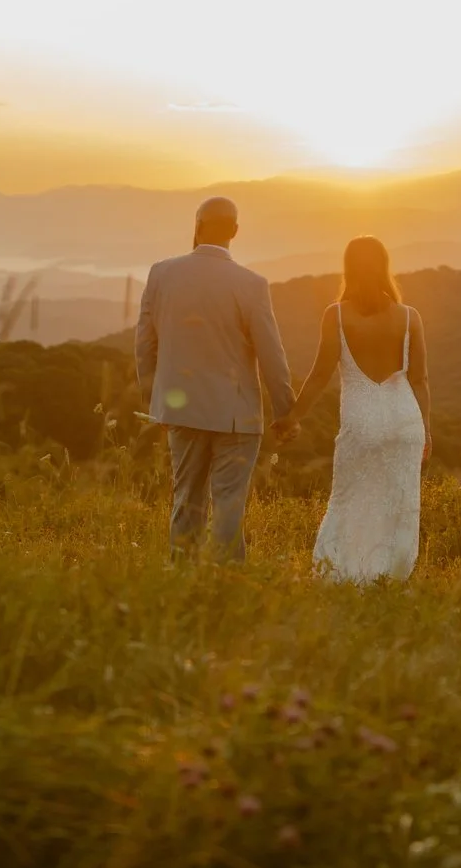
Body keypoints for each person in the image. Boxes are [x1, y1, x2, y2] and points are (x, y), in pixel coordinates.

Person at [135, 196, 295, 563]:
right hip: (237, 417)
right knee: (228, 506)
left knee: (186, 499)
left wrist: (156, 403)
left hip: (182, 411)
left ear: (197, 224)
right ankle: (225, 586)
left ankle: (183, 580)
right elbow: (272, 355)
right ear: (235, 232)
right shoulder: (251, 284)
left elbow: (144, 344)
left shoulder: (161, 273)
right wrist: (286, 412)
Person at [272, 236, 428, 583]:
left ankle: (345, 576)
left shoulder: (337, 316)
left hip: (362, 420)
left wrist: (291, 418)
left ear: (348, 269)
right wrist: (427, 432)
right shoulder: (410, 317)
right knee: (397, 506)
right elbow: (421, 380)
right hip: (405, 422)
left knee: (351, 499)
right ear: (385, 267)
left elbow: (318, 376)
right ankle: (387, 579)